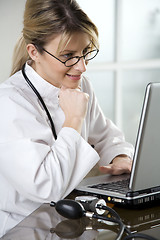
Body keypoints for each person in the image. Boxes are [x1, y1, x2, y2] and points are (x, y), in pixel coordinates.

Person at [0, 0, 134, 237]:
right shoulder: (9, 103)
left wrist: (120, 156)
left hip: (73, 221)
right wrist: (73, 120)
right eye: (68, 55)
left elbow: (107, 136)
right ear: (34, 52)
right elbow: (46, 187)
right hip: (24, 228)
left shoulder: (81, 85)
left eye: (85, 52)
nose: (81, 66)